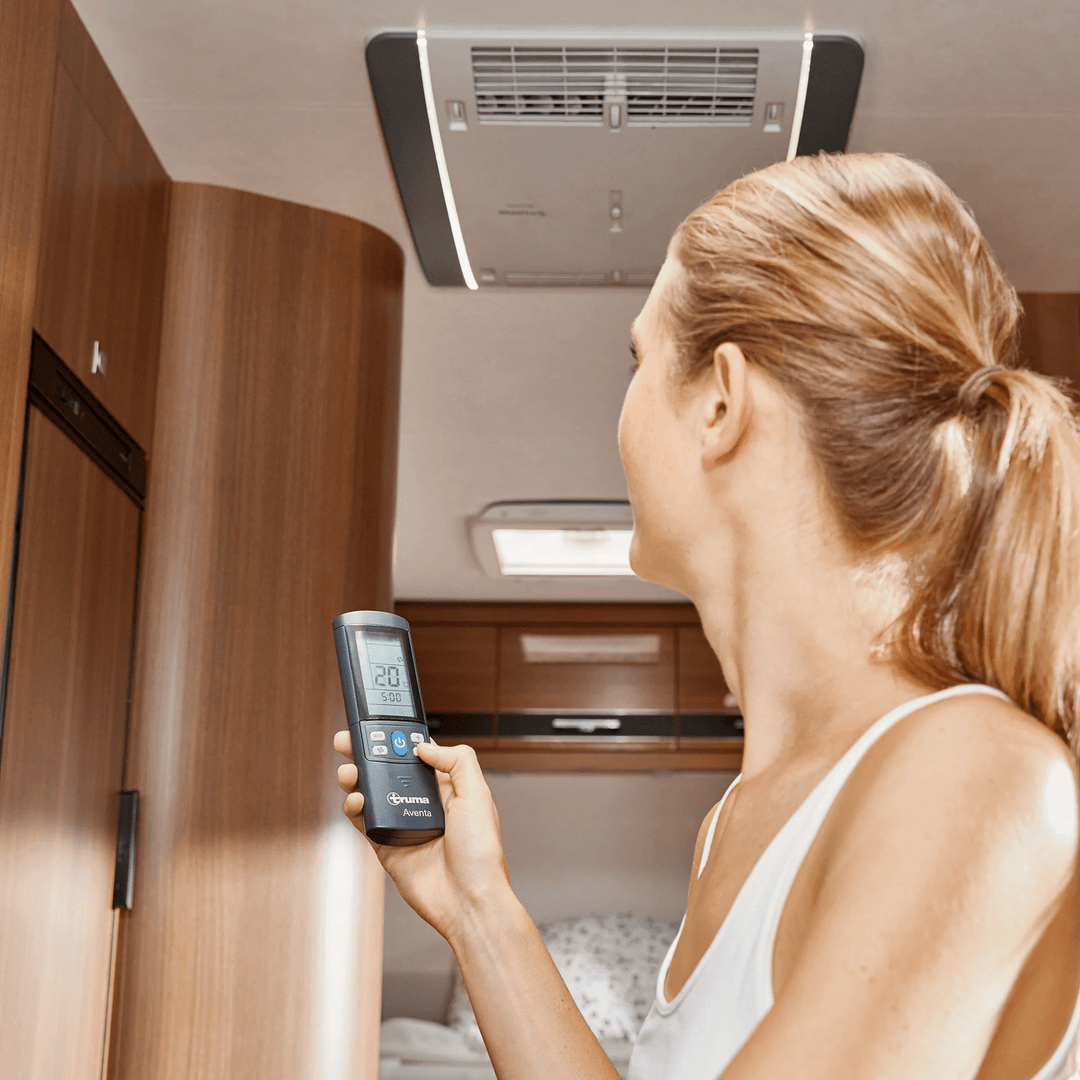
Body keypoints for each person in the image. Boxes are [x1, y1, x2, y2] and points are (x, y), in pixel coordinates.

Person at [334, 151, 1080, 1080]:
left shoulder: (972, 774)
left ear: (721, 400)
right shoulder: (734, 821)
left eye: (638, 358)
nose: (624, 406)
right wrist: (475, 903)